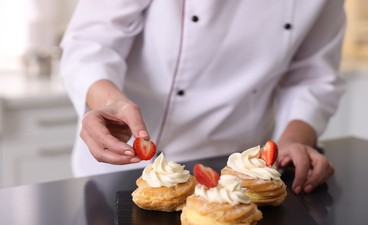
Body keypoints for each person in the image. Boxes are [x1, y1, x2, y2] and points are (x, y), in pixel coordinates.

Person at [60, 0, 346, 194]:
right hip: (129, 163)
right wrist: (111, 103)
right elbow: (90, 45)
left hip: (241, 168)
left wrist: (294, 140)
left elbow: (313, 73)